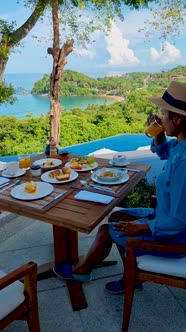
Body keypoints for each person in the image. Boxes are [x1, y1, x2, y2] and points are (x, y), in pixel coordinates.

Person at [53, 81, 186, 294]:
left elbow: (180, 221)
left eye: (164, 113)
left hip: (175, 238)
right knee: (117, 218)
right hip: (163, 215)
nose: (160, 118)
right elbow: (163, 152)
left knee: (107, 231)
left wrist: (143, 227)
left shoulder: (184, 162)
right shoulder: (181, 145)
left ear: (178, 119)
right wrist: (159, 133)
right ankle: (130, 274)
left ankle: (84, 270)